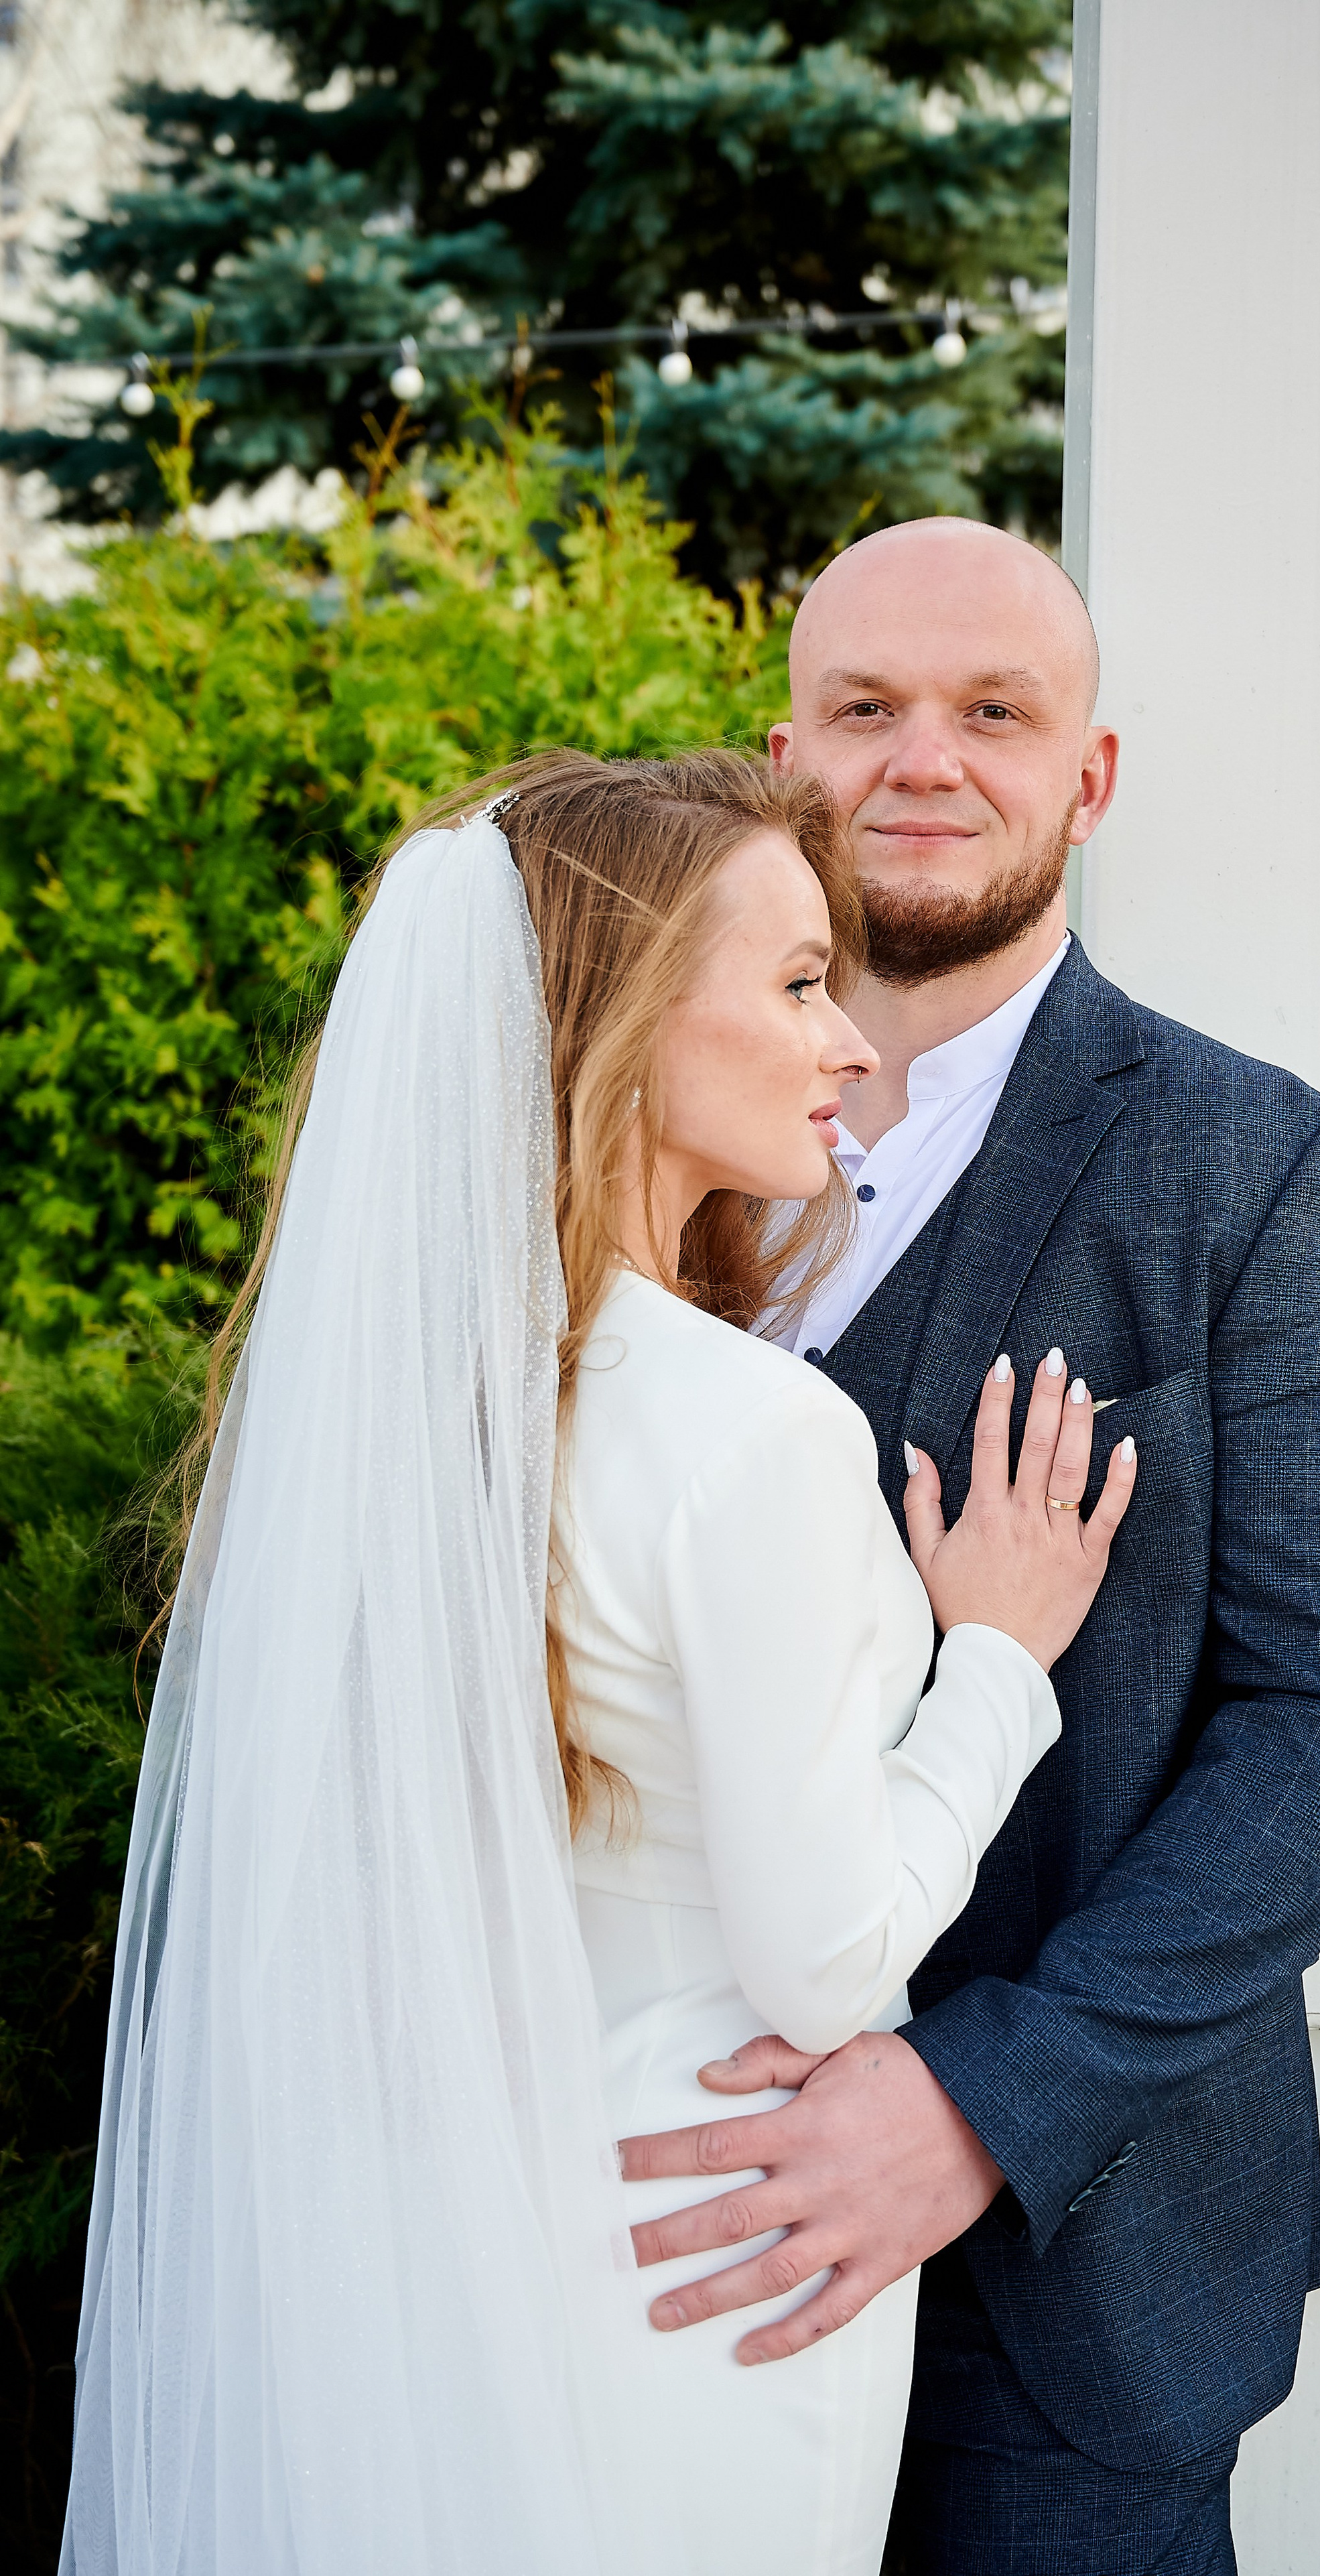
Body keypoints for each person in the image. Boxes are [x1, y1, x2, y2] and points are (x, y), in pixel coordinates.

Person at [58, 747, 1136, 2576]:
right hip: (726, 2241)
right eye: (800, 983)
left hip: (468, 2239)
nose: (852, 1042)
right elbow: (826, 1955)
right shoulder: (751, 1435)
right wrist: (998, 1666)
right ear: (628, 1021)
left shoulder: (430, 1423)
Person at [615, 522, 1320, 2576]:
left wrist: (981, 2100)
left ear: (1092, 775)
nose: (926, 759)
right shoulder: (627, 1155)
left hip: (1076, 2280)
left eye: (998, 712)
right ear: (780, 751)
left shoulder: (1260, 1171)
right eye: (869, 708)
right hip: (658, 2229)